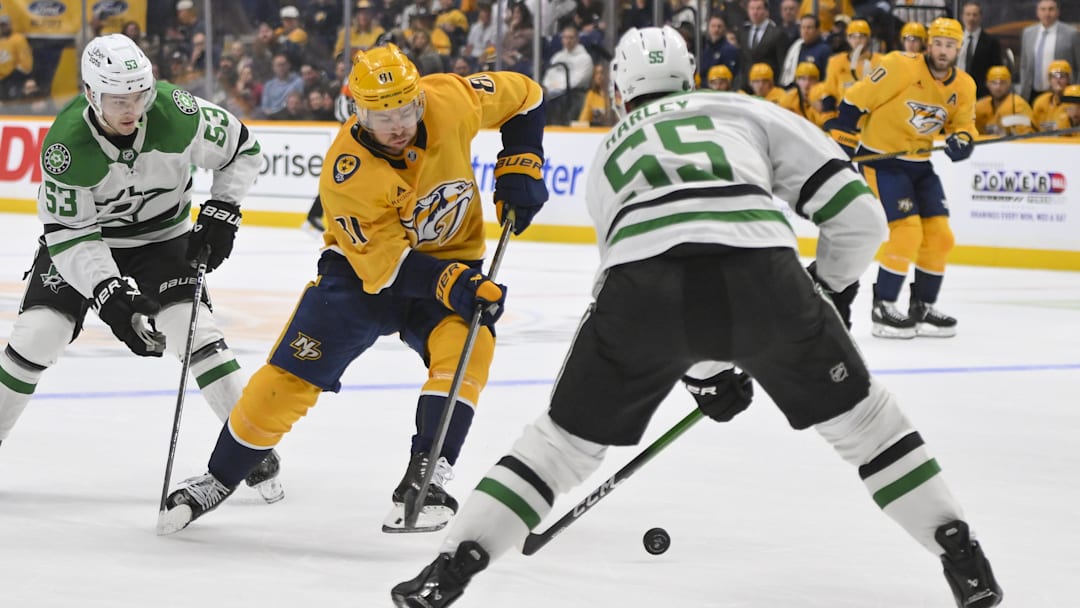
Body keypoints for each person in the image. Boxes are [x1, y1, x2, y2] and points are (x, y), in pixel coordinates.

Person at [391, 26, 1002, 608]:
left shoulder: (608, 153)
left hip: (638, 295)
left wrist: (705, 372)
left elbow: (655, 279)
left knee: (558, 448)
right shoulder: (745, 111)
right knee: (869, 428)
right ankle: (963, 555)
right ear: (690, 78)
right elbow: (861, 221)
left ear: (619, 92)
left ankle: (449, 570)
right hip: (766, 277)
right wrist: (826, 293)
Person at [158, 43, 548, 535]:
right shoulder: (347, 170)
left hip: (451, 262)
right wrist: (457, 283)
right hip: (362, 278)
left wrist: (523, 158)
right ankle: (219, 476)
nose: (398, 124)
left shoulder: (450, 98)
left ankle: (429, 472)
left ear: (419, 99)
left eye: (406, 109)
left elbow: (527, 96)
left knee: (469, 349)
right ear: (356, 112)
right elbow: (385, 270)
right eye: (381, 115)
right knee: (288, 380)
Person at [0, 34, 283, 502]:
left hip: (163, 237)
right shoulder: (65, 148)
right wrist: (108, 292)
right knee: (37, 333)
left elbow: (242, 149)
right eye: (118, 100)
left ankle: (249, 444)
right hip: (88, 240)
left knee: (195, 329)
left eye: (139, 95)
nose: (132, 109)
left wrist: (224, 207)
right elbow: (71, 234)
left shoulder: (179, 114)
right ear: (92, 95)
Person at [826, 18, 976, 339]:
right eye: (938, 43)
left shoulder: (964, 86)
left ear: (959, 49)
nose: (943, 51)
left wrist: (962, 140)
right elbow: (856, 99)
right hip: (882, 160)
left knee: (940, 236)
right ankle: (883, 308)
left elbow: (964, 125)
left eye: (950, 45)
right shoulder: (899, 66)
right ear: (928, 43)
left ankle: (921, 306)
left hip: (919, 164)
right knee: (907, 231)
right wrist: (844, 134)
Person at [1019, 0, 1080, 103]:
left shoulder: (1072, 34)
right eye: (1043, 9)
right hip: (1033, 93)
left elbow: (1078, 65)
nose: (1047, 13)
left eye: (1051, 9)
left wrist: (1076, 91)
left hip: (1063, 94)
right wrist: (1023, 88)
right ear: (1037, 12)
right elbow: (1024, 65)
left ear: (1058, 12)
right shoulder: (1028, 33)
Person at [821, 19, 882, 114]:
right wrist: (830, 118)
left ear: (868, 38)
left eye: (861, 37)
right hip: (844, 114)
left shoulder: (881, 61)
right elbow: (829, 92)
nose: (857, 41)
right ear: (848, 39)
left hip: (871, 113)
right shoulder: (836, 62)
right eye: (853, 37)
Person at [957, 1, 1003, 100]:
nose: (971, 18)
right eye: (968, 14)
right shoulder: (955, 40)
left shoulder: (991, 42)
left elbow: (996, 69)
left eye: (974, 15)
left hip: (981, 95)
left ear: (980, 17)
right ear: (962, 16)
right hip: (956, 91)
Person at [975, 66, 1035, 136]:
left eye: (1002, 82)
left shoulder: (1018, 105)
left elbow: (1027, 135)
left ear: (1009, 83)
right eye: (994, 83)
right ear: (987, 84)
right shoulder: (979, 106)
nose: (998, 87)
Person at [1032, 59, 1072, 131]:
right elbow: (1034, 127)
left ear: (1068, 79)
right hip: (1044, 140)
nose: (1058, 81)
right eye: (1054, 77)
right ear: (1049, 80)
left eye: (1062, 77)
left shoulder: (1075, 101)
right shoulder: (1040, 102)